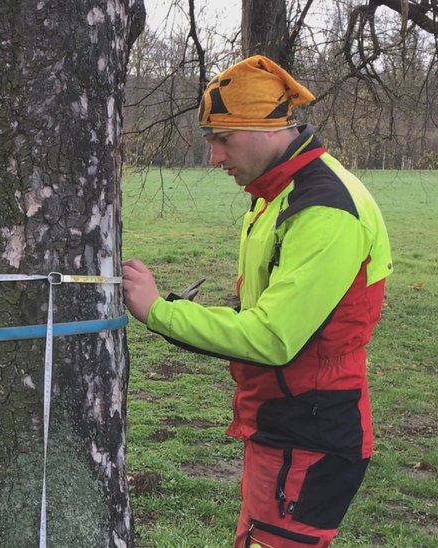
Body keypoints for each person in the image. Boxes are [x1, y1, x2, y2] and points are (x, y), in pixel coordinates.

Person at [122, 55, 392, 547]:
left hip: (309, 434)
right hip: (281, 420)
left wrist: (161, 312)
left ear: (268, 129)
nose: (215, 158)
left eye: (223, 139)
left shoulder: (323, 210)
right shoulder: (278, 194)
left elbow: (272, 335)